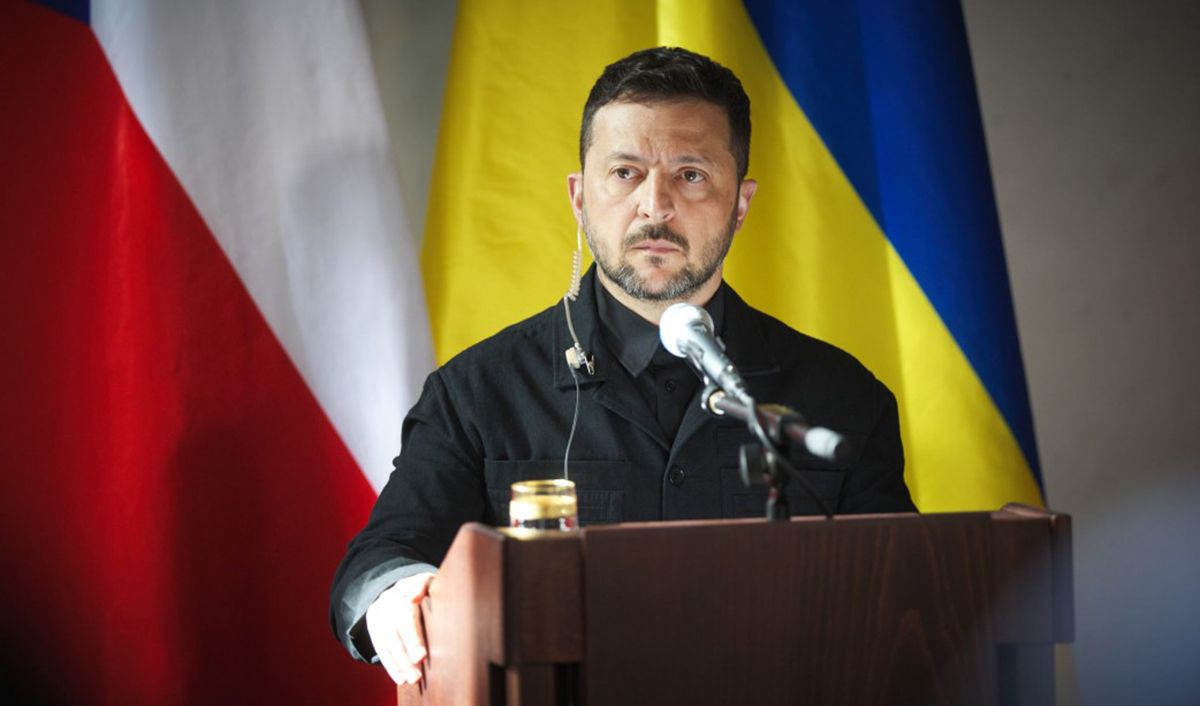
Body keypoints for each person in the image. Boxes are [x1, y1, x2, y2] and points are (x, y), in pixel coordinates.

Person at [330, 46, 916, 685]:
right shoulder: (476, 393)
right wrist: (396, 592)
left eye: (690, 174)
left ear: (741, 204)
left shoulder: (842, 399)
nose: (654, 205)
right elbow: (380, 560)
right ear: (580, 198)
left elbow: (905, 594)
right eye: (625, 172)